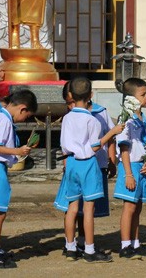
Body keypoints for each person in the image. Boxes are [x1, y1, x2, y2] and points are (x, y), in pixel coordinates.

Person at [53, 77, 118, 263]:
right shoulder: (93, 121)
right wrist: (111, 134)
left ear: (71, 95)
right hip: (88, 164)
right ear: (91, 95)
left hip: (71, 162)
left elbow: (64, 145)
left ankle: (70, 247)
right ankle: (89, 249)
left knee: (72, 208)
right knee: (88, 209)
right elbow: (95, 147)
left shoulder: (66, 118)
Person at [0, 89, 37, 269]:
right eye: (26, 117)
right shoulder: (4, 120)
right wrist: (18, 151)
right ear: (22, 109)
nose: (24, 120)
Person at [113, 78, 146, 259]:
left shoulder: (143, 118)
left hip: (141, 167)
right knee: (129, 207)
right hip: (130, 167)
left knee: (137, 207)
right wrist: (128, 175)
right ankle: (125, 246)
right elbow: (124, 147)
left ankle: (136, 243)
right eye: (143, 94)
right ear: (131, 98)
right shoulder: (126, 119)